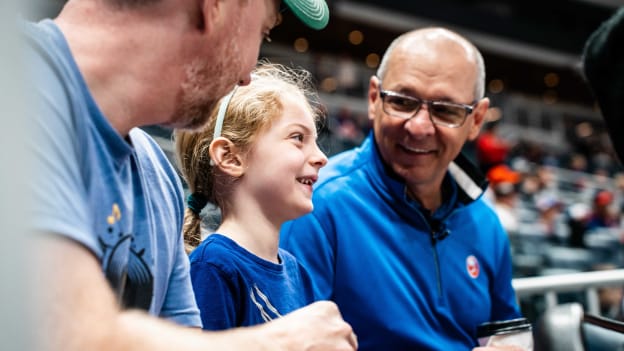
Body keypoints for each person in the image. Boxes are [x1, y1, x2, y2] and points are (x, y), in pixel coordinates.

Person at [25, 0, 358, 350]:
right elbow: (64, 333)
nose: (247, 74)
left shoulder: (158, 178)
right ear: (218, 7)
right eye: (262, 31)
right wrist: (281, 343)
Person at [280, 27, 522, 351]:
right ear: (373, 99)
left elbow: (510, 331)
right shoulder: (315, 204)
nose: (419, 126)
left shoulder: (487, 224)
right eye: (402, 102)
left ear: (476, 120)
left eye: (445, 110)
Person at [174, 63, 327, 329]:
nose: (321, 157)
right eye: (298, 137)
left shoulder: (297, 272)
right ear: (230, 157)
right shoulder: (213, 266)